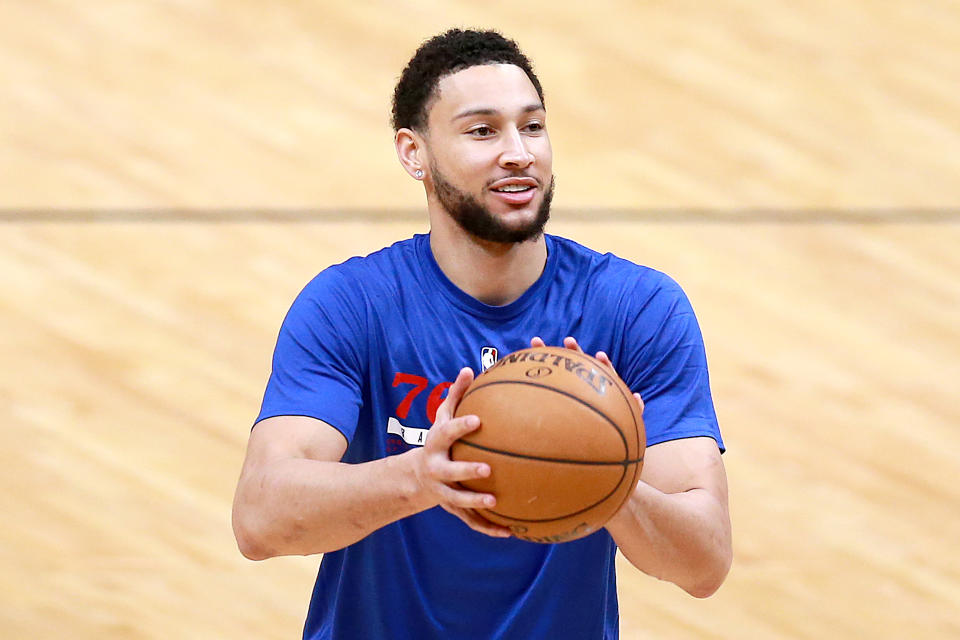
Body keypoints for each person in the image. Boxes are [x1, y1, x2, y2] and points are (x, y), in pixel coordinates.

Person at [232, 28, 732, 640]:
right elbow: (260, 518)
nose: (519, 152)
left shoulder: (637, 309)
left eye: (533, 126)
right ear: (414, 153)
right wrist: (421, 476)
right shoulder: (352, 305)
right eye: (483, 131)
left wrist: (610, 481)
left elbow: (705, 561)